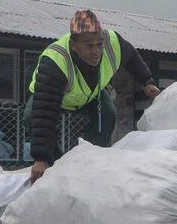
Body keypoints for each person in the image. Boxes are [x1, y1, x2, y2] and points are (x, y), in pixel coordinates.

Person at [25, 9, 160, 182]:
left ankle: (93, 162)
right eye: (89, 45)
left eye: (99, 44)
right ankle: (55, 164)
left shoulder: (112, 43)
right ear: (73, 45)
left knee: (107, 112)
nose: (96, 50)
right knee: (31, 116)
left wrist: (147, 81)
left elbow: (132, 58)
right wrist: (41, 158)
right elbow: (44, 111)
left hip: (91, 95)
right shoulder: (55, 61)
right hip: (56, 97)